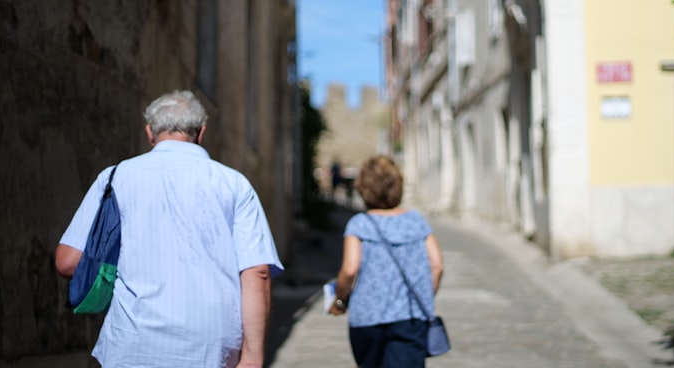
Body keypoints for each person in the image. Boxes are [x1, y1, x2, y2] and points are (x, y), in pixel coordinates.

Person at [54, 90, 283, 368]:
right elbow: (257, 272)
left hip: (133, 344)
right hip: (211, 348)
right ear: (201, 132)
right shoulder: (234, 184)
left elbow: (68, 262)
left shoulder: (115, 178)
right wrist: (252, 357)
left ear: (150, 132)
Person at [328, 155, 445, 368]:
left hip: (367, 318)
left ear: (364, 187)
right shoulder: (416, 221)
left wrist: (339, 300)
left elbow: (350, 269)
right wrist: (425, 295)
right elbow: (437, 266)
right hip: (409, 317)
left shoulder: (359, 224)